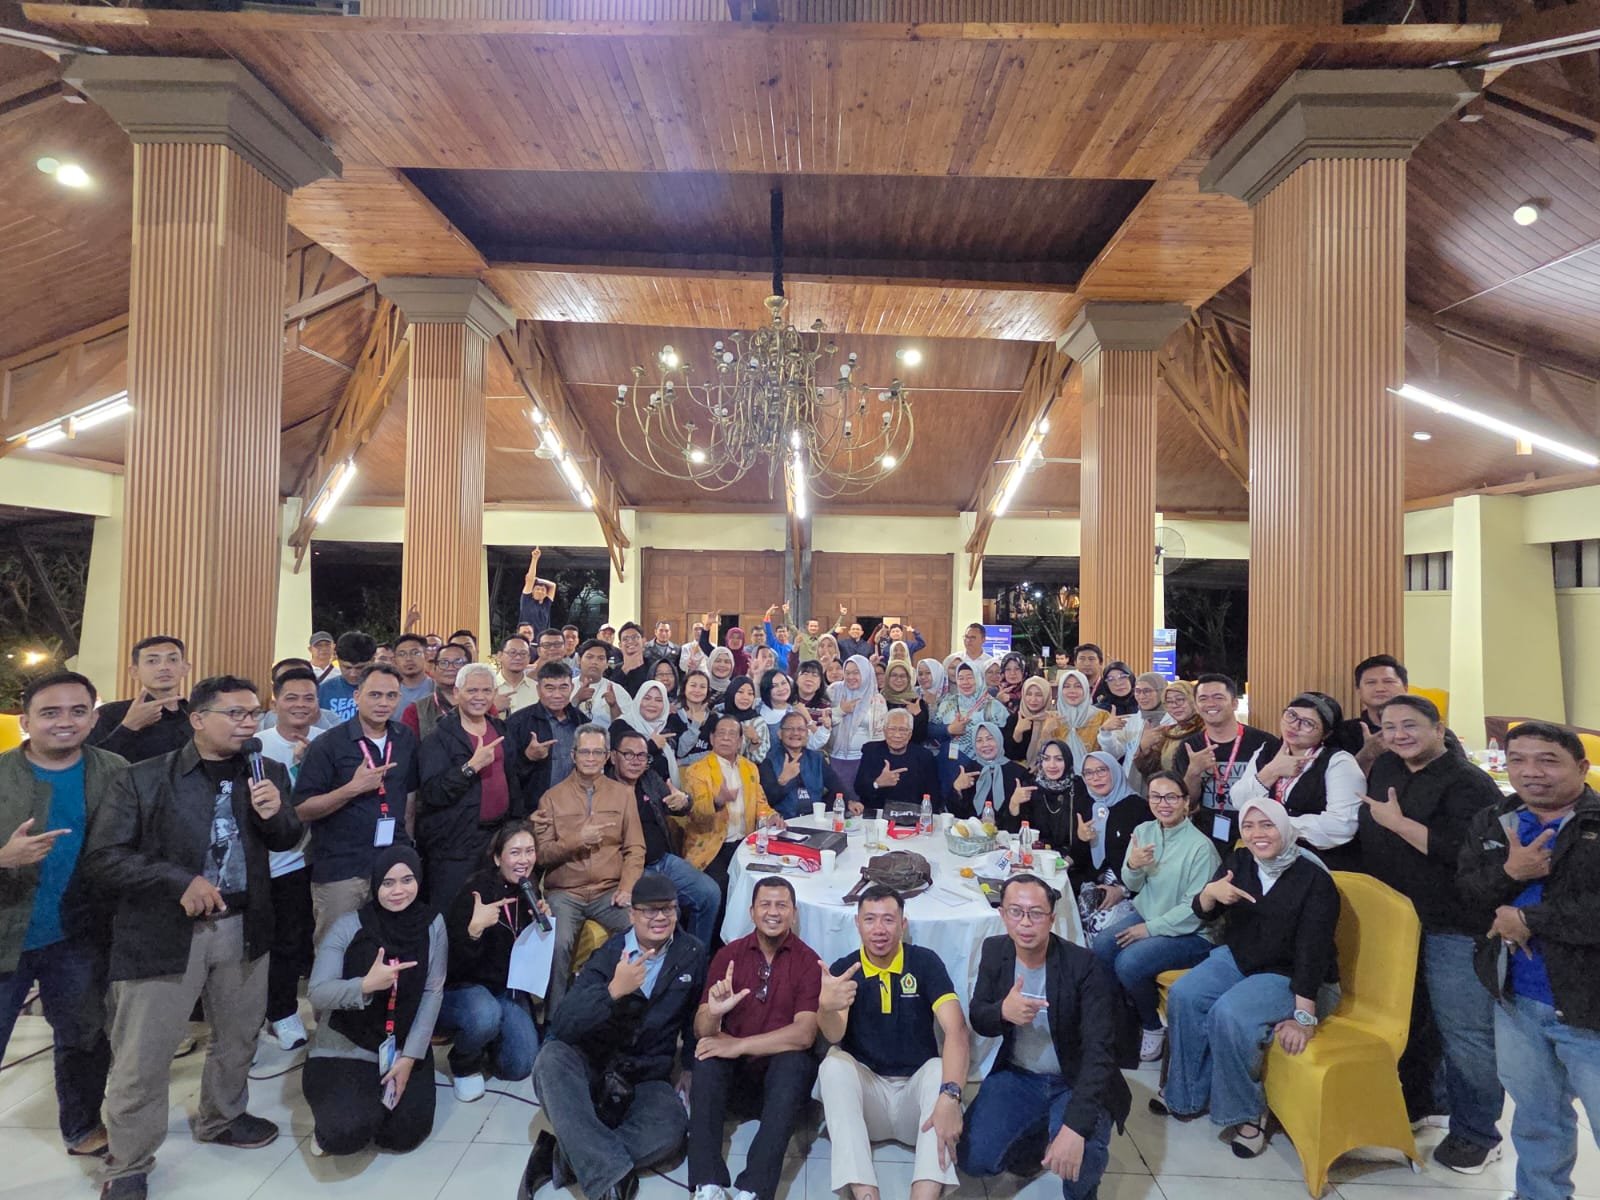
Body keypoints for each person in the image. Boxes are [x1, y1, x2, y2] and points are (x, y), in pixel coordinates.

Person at [85, 675, 302, 1200]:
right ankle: (129, 1161)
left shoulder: (267, 772)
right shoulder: (143, 778)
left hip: (245, 924)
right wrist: (178, 881)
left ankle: (222, 1117)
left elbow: (288, 839)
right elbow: (104, 858)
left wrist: (276, 814)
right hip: (165, 930)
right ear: (198, 719)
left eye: (253, 713)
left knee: (238, 1036)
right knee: (144, 1053)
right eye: (235, 713)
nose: (248, 723)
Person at [1358, 694, 1505, 1172]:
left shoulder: (1469, 783)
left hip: (1453, 924)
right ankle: (1426, 1101)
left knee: (1464, 1032)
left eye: (1410, 725)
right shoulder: (1387, 767)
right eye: (1389, 727)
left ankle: (1477, 1133)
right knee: (1415, 1017)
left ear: (1439, 729)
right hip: (1397, 922)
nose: (1399, 735)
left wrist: (1399, 824)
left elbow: (1471, 855)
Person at [1457, 721, 1600, 1200]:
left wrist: (1528, 918)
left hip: (1588, 1004)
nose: (1530, 772)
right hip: (1516, 998)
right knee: (1537, 1118)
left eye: (1547, 760)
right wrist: (1510, 873)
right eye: (1517, 760)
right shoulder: (1495, 819)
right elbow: (1468, 895)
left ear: (1581, 767)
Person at [1156, 797, 1340, 1159]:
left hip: (1292, 974)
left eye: (1267, 825)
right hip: (1242, 958)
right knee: (1186, 994)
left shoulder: (1314, 879)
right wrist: (1209, 894)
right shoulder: (1241, 861)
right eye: (1249, 826)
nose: (1258, 834)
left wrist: (1304, 1016)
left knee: (1231, 1013)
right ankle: (1187, 1094)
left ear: (1284, 828)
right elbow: (1204, 912)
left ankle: (1246, 1114)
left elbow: (1313, 951)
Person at [521, 872, 707, 1200]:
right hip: (597, 1065)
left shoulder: (692, 951)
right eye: (650, 910)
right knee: (550, 1060)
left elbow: (695, 1013)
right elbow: (564, 1024)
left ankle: (564, 1154)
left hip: (647, 1075)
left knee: (672, 1129)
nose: (660, 917)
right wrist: (612, 991)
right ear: (632, 914)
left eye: (668, 908)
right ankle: (601, 1165)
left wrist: (690, 1065)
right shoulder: (609, 954)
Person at [0, 671, 124, 1158]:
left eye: (78, 711)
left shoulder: (114, 770)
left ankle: (82, 1127)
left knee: (84, 1037)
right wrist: (3, 858)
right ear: (26, 720)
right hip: (6, 933)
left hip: (78, 935)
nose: (65, 722)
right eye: (50, 713)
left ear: (93, 718)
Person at [960, 874, 1133, 1198]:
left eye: (1036, 913)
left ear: (1052, 919)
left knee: (1081, 1154)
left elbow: (1099, 1052)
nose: (1025, 923)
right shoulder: (995, 951)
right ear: (1002, 915)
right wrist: (1002, 1011)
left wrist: (1075, 1127)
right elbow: (979, 1017)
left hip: (1074, 1079)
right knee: (973, 1158)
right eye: (1016, 912)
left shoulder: (1083, 965)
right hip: (1019, 1076)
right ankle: (1035, 1141)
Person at [816, 884, 971, 1200]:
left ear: (903, 924)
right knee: (833, 1064)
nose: (879, 929)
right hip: (867, 1101)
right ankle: (865, 1193)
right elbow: (834, 1035)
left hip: (917, 1102)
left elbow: (956, 1030)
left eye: (888, 920)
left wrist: (951, 1096)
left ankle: (924, 1195)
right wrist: (826, 1007)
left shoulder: (925, 963)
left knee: (938, 1069)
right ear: (857, 924)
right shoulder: (845, 969)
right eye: (870, 919)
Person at [303, 844, 446, 1156]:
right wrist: (365, 986)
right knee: (344, 1133)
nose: (398, 891)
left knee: (404, 1134)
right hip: (349, 1039)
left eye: (407, 880)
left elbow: (432, 992)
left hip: (402, 1043)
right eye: (388, 883)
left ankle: (374, 1101)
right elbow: (318, 991)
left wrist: (410, 1057)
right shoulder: (350, 925)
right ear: (375, 884)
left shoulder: (432, 923)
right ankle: (332, 1120)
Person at [688, 876, 822, 1200]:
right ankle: (707, 1183)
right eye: (765, 904)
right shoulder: (729, 955)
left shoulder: (808, 961)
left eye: (782, 905)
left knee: (796, 1063)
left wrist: (739, 1045)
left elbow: (805, 1033)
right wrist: (714, 1013)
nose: (773, 912)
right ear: (751, 912)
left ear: (794, 913)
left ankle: (754, 1189)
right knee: (705, 1054)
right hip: (735, 1081)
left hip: (781, 1086)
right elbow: (701, 1028)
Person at [1091, 771, 1220, 1062]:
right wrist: (1133, 866)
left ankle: (1152, 1024)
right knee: (1102, 945)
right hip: (1149, 915)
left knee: (1130, 962)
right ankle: (1123, 1019)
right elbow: (1133, 885)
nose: (1163, 803)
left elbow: (1195, 911)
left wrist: (1149, 929)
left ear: (1186, 802)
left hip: (1193, 932)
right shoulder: (1144, 831)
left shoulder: (1201, 848)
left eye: (1171, 797)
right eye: (1156, 797)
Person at [294, 664, 424, 942]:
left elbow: (410, 798)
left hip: (393, 863)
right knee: (337, 947)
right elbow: (302, 809)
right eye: (375, 695)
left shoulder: (404, 738)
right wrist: (352, 789)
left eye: (391, 696)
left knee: (389, 944)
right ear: (357, 696)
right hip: (342, 867)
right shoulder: (328, 744)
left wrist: (407, 850)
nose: (383, 703)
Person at [532, 723, 645, 1015]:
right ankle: (555, 1021)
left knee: (642, 929)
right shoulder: (552, 797)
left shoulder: (623, 795)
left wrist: (627, 887)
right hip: (565, 892)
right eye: (585, 752)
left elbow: (635, 848)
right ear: (573, 755)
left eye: (597, 752)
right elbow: (542, 855)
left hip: (609, 890)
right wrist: (577, 840)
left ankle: (627, 1013)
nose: (591, 758)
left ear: (607, 756)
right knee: (558, 944)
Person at [439, 821, 550, 1101]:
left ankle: (489, 1040)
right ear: (498, 858)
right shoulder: (476, 893)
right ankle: (464, 1063)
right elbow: (450, 966)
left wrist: (538, 925)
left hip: (505, 988)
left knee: (519, 1065)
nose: (523, 860)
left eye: (529, 851)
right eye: (515, 852)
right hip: (465, 988)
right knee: (484, 1014)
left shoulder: (528, 889)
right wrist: (474, 931)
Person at [254, 667, 324, 1051]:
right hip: (274, 862)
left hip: (315, 858)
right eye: (291, 697)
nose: (300, 705)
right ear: (275, 701)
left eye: (308, 698)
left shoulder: (327, 741)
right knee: (279, 942)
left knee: (307, 941)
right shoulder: (256, 746)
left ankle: (312, 1010)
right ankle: (276, 1013)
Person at [417, 663, 521, 909]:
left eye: (486, 691)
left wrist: (518, 825)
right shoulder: (438, 738)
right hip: (455, 844)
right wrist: (470, 767)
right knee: (453, 911)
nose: (479, 697)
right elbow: (432, 792)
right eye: (472, 690)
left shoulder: (501, 729)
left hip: (498, 838)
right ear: (456, 693)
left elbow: (512, 780)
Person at [607, 727, 721, 948]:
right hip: (632, 868)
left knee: (710, 893)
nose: (636, 761)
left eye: (642, 756)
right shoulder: (604, 788)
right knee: (670, 909)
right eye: (628, 755)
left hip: (664, 859)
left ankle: (696, 954)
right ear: (613, 757)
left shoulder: (649, 779)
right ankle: (669, 962)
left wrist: (684, 801)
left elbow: (677, 803)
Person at [1230, 691, 1364, 871]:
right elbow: (1238, 801)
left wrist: (1276, 825)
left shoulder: (1339, 762)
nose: (1295, 725)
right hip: (1267, 859)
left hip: (1320, 864)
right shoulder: (1268, 751)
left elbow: (1342, 826)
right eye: (1291, 715)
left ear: (1326, 734)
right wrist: (1272, 770)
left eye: (1308, 723)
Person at [1173, 673, 1279, 851]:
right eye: (1203, 699)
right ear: (1196, 706)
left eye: (1218, 697)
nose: (1210, 704)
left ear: (1234, 703)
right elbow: (1186, 804)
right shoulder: (1189, 747)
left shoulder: (1265, 743)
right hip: (1204, 837)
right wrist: (1193, 772)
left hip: (1255, 837)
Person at [681, 715, 781, 900]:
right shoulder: (697, 771)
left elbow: (760, 803)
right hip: (712, 846)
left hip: (745, 844)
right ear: (712, 739)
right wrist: (717, 802)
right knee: (722, 888)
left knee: (767, 881)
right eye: (721, 733)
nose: (726, 738)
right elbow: (696, 816)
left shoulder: (750, 768)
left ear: (740, 741)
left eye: (732, 734)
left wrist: (771, 817)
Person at [1067, 751, 1149, 935]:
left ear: (1115, 770)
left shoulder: (1138, 808)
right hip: (1092, 883)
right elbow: (1080, 858)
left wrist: (1122, 890)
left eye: (1102, 770)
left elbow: (1149, 863)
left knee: (1098, 926)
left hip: (1129, 888)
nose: (1095, 778)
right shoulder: (1086, 804)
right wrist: (1081, 839)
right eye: (1088, 773)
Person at [89, 635, 193, 763]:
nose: (164, 667)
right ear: (134, 671)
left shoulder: (196, 715)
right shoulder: (109, 713)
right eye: (152, 661)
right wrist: (128, 726)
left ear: (185, 668)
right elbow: (91, 764)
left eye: (172, 659)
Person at [505, 661, 584, 812]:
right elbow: (505, 774)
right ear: (538, 689)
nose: (557, 695)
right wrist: (528, 758)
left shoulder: (581, 721)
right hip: (533, 810)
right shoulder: (517, 723)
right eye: (549, 688)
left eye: (563, 687)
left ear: (572, 688)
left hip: (574, 808)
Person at [760, 709, 848, 819]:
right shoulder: (769, 761)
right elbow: (766, 800)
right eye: (789, 729)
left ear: (807, 734)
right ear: (779, 734)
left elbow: (835, 784)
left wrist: (850, 801)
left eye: (801, 729)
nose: (796, 733)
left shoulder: (817, 758)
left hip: (814, 819)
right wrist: (782, 781)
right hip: (783, 821)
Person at [855, 708, 944, 813]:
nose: (897, 735)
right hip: (878, 815)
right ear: (884, 731)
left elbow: (934, 796)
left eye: (903, 730)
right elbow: (859, 789)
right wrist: (877, 783)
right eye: (892, 729)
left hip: (913, 815)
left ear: (910, 734)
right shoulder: (871, 751)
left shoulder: (924, 756)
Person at [1004, 738, 1087, 849]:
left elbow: (1086, 834)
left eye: (1059, 759)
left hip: (1071, 857)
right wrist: (1014, 804)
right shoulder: (1030, 787)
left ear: (1067, 761)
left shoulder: (1079, 787)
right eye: (1046, 759)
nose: (1052, 765)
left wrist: (1071, 856)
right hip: (1036, 854)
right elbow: (1013, 833)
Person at [602, 678, 686, 784]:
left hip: (663, 790)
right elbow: (611, 762)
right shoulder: (620, 726)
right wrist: (651, 746)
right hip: (626, 789)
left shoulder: (668, 726)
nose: (652, 704)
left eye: (658, 700)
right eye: (647, 698)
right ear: (638, 700)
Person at [1097, 671, 1171, 790]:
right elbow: (1114, 754)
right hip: (1131, 787)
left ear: (1162, 692)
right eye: (1137, 691)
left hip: (1166, 787)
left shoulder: (1173, 721)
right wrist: (1106, 732)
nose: (1141, 696)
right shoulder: (1131, 721)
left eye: (1147, 691)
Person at [954, 721, 1031, 824]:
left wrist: (1014, 805)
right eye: (979, 740)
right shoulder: (968, 770)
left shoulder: (1018, 773)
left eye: (990, 738)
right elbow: (955, 814)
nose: (985, 744)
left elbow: (1027, 818)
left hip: (1007, 832)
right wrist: (957, 789)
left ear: (999, 739)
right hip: (972, 831)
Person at [1339, 653, 1409, 766]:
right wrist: (1365, 755)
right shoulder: (1342, 733)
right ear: (1359, 691)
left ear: (1405, 688)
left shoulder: (1425, 728)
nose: (1380, 689)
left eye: (1388, 681)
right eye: (1371, 683)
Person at [1130, 680, 1202, 783]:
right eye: (1169, 701)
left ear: (1193, 700)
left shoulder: (1206, 730)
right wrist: (1144, 750)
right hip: (1170, 790)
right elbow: (1152, 773)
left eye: (1180, 699)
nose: (1175, 705)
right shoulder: (1167, 733)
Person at [401, 640, 468, 738]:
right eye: (443, 663)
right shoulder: (415, 711)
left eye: (458, 662)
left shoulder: (483, 705)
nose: (450, 668)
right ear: (434, 669)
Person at [1003, 675, 1065, 769]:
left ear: (1047, 696)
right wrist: (1017, 733)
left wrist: (1046, 733)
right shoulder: (1015, 719)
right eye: (1029, 694)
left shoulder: (1055, 720)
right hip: (1021, 773)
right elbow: (1009, 756)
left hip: (1049, 771)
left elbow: (1061, 755)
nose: (1033, 699)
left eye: (1039, 695)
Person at [1054, 670, 1108, 775]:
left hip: (1095, 778)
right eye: (1066, 686)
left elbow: (1112, 754)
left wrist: (1107, 734)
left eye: (1078, 686)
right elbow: (1041, 757)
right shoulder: (1051, 719)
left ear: (1086, 689)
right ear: (1060, 690)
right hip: (1059, 778)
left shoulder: (1102, 717)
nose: (1072, 691)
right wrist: (1046, 732)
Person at [316, 631, 376, 724]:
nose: (353, 674)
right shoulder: (323, 690)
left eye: (360, 668)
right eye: (347, 667)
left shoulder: (385, 689)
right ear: (337, 659)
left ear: (372, 660)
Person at [721, 674, 772, 765]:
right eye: (740, 692)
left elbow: (758, 759)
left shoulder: (757, 722)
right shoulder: (718, 716)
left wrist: (755, 740)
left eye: (750, 693)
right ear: (732, 692)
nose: (745, 697)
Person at [675, 670, 718, 768]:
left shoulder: (714, 719)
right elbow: (680, 752)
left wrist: (684, 761)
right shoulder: (674, 716)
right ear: (684, 688)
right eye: (693, 685)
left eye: (702, 687)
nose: (697, 690)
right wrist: (695, 725)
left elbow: (716, 753)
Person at [493, 634, 539, 716]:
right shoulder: (488, 688)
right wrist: (491, 708)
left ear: (529, 658)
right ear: (499, 656)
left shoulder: (538, 689)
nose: (518, 657)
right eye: (512, 652)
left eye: (523, 653)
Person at [606, 622, 653, 696]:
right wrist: (625, 670)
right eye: (625, 639)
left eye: (635, 637)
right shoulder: (613, 670)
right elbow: (610, 693)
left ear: (644, 641)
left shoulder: (653, 668)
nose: (630, 641)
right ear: (620, 645)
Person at [519, 547, 556, 636]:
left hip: (543, 641)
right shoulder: (527, 601)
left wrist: (538, 580)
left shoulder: (546, 604)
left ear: (546, 594)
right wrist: (534, 559)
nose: (540, 591)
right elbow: (530, 580)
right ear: (532, 592)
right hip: (527, 640)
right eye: (537, 589)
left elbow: (553, 586)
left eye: (543, 590)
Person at [391, 633, 434, 709]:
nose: (408, 659)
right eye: (402, 654)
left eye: (415, 653)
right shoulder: (387, 690)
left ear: (426, 656)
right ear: (394, 661)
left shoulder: (437, 689)